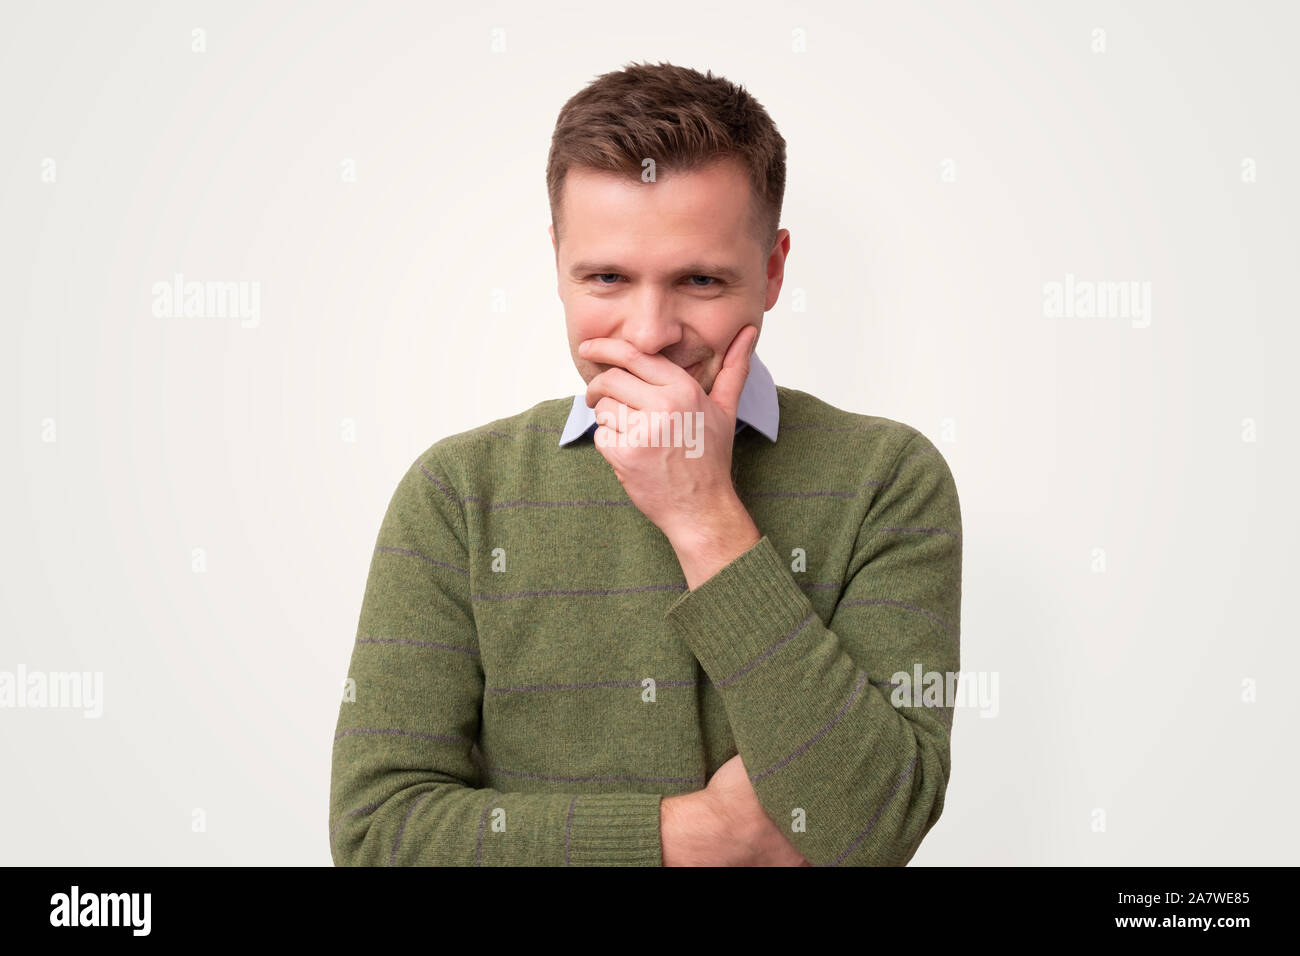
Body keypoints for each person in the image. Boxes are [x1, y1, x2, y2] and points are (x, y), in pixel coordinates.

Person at [329, 60, 962, 866]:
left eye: (699, 279)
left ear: (771, 271)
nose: (650, 331)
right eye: (607, 278)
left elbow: (872, 827)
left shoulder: (887, 479)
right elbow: (377, 837)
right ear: (557, 262)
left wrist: (704, 515)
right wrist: (697, 836)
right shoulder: (457, 493)